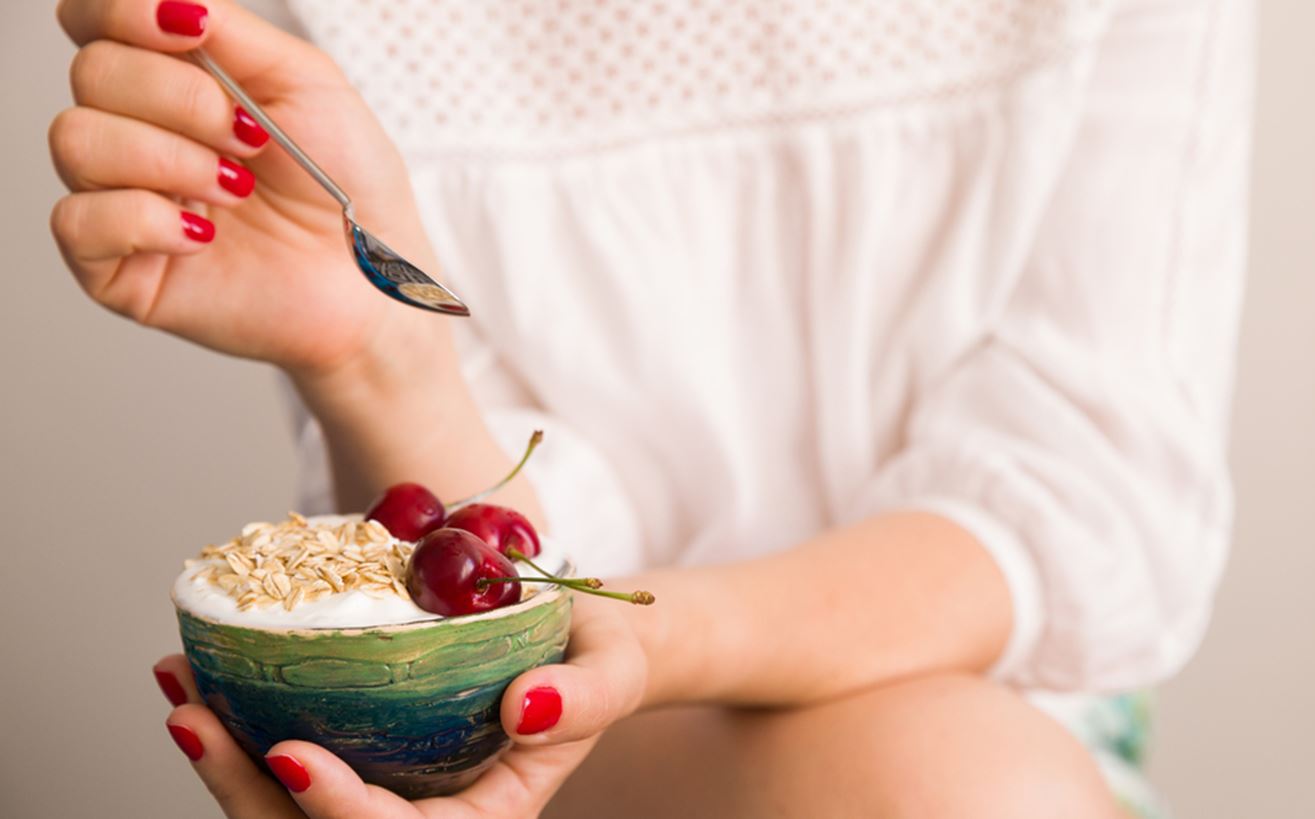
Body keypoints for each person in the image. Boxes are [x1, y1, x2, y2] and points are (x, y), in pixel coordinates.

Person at [48, 0, 1250, 815]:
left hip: (981, 726)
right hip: (553, 746)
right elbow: (511, 560)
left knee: (959, 783)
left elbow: (1075, 507)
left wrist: (650, 644)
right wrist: (380, 362)